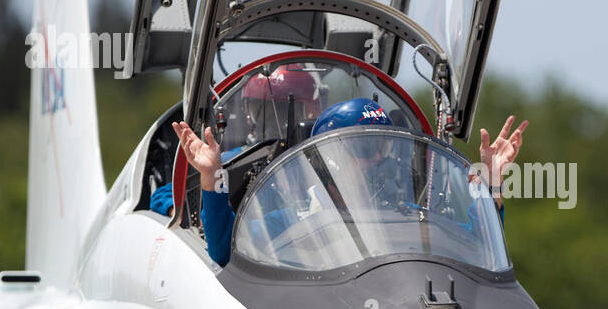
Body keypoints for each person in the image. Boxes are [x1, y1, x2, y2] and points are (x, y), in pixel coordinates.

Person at [173, 103, 527, 267]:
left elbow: (473, 246)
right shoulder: (290, 221)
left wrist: (492, 185)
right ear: (332, 160)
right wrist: (211, 176)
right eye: (365, 148)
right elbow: (221, 250)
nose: (377, 159)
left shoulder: (408, 219)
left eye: (381, 146)